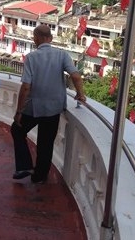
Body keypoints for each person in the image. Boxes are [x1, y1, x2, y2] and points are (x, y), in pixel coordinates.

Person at [12, 24, 86, 184]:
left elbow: (25, 87)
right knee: (46, 143)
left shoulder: (31, 57)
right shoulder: (62, 55)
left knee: (17, 130)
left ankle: (24, 165)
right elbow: (76, 76)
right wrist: (81, 94)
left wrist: (19, 111)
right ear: (50, 39)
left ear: (35, 38)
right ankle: (39, 176)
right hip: (54, 107)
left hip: (33, 107)